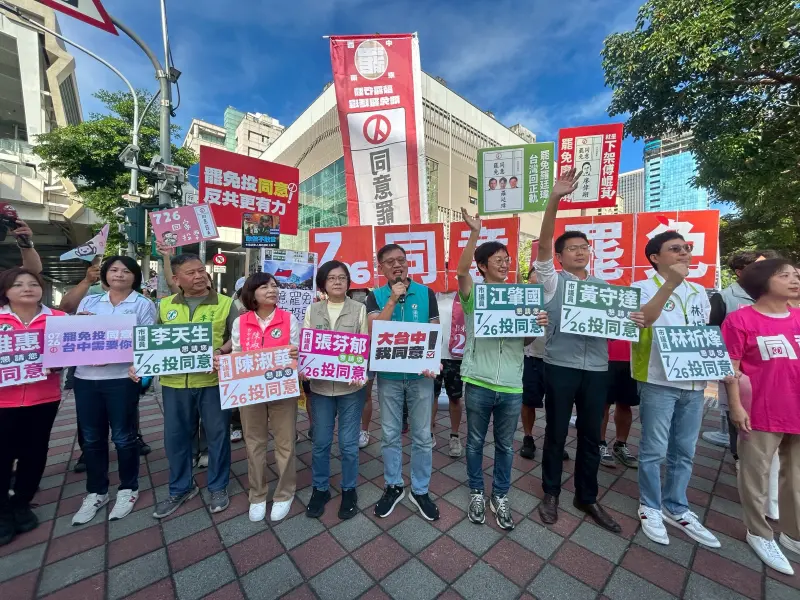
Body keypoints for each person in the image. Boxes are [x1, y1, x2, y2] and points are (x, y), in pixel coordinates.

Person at [533, 168, 622, 533]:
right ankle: (550, 492)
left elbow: (623, 322)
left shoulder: (605, 287)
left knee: (592, 435)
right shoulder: (553, 281)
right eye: (573, 248)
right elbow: (540, 248)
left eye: (585, 248)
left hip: (598, 369)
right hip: (560, 366)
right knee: (555, 434)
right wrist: (554, 198)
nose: (581, 252)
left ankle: (586, 496)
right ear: (559, 255)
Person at [457, 209, 548, 530]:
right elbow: (461, 270)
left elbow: (525, 340)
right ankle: (477, 492)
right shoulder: (474, 294)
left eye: (507, 258)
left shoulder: (520, 297)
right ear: (483, 265)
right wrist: (474, 233)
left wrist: (536, 325)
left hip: (512, 383)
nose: (504, 262)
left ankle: (501, 495)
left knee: (506, 446)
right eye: (496, 258)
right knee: (474, 442)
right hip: (479, 380)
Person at [631, 231, 720, 548]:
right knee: (654, 448)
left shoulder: (699, 291)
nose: (684, 253)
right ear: (655, 257)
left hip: (694, 383)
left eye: (687, 248)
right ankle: (650, 505)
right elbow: (643, 321)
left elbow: (702, 333)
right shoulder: (640, 288)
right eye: (675, 249)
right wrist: (669, 284)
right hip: (657, 379)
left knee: (685, 449)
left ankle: (676, 505)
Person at [141, 253, 236, 519]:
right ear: (176, 279)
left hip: (213, 382)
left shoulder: (226, 304)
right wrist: (140, 364)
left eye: (201, 271)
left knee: (218, 437)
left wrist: (222, 350)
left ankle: (218, 486)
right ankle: (181, 487)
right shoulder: (165, 306)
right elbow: (152, 341)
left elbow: (236, 338)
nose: (198, 276)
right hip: (174, 384)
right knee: (176, 438)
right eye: (191, 273)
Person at [722, 259, 800, 574]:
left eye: (796, 275)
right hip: (761, 411)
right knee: (754, 474)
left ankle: (794, 533)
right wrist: (736, 407)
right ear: (763, 282)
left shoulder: (798, 318)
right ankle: (759, 532)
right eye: (785, 275)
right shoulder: (741, 321)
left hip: (796, 408)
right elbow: (731, 369)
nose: (794, 280)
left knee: (794, 476)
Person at [72, 256, 156, 525]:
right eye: (114, 270)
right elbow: (75, 335)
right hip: (86, 377)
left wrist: (125, 359)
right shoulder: (90, 301)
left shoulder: (143, 304)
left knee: (123, 436)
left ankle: (128, 488)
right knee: (92, 438)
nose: (119, 275)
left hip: (121, 378)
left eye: (126, 271)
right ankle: (96, 492)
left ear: (135, 276)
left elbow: (146, 342)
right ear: (105, 274)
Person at [366, 243, 440, 521]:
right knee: (389, 434)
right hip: (389, 378)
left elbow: (433, 330)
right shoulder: (375, 296)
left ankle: (420, 489)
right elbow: (375, 331)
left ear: (408, 263)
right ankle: (394, 485)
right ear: (381, 268)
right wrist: (392, 300)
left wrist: (432, 360)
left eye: (401, 260)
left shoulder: (426, 293)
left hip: (421, 377)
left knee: (422, 436)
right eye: (390, 262)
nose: (397, 265)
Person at [0, 268, 65, 546]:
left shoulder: (59, 319)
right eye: (18, 284)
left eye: (33, 284)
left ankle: (22, 503)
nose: (27, 288)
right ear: (6, 291)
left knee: (35, 452)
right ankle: (2, 511)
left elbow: (75, 351)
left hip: (44, 398)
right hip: (3, 401)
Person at [229, 272, 300, 522]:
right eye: (264, 286)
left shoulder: (288, 319)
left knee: (285, 442)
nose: (272, 290)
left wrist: (295, 353)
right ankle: (257, 495)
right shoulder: (241, 322)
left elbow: (296, 354)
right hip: (251, 392)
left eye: (274, 286)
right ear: (252, 293)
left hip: (282, 390)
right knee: (254, 443)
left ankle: (284, 493)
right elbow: (236, 355)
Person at [303, 261, 369, 520]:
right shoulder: (313, 310)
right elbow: (307, 345)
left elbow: (363, 347)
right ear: (323, 283)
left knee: (349, 444)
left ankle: (349, 489)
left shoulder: (359, 309)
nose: (338, 282)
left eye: (342, 277)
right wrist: (306, 367)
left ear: (349, 282)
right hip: (320, 389)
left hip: (350, 389)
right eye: (331, 278)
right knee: (320, 442)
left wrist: (359, 373)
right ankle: (320, 488)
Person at [709, 250, 778, 467]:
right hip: (739, 373)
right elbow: (712, 334)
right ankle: (739, 457)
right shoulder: (724, 298)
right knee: (737, 414)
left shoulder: (774, 295)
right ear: (740, 272)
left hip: (772, 370)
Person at [433, 288, 464, 458]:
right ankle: (429, 432)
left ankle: (454, 435)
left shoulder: (462, 294)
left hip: (455, 355)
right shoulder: (431, 294)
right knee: (432, 395)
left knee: (455, 397)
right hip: (433, 354)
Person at [599, 340, 639, 469]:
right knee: (603, 404)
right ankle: (600, 444)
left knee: (625, 404)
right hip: (604, 355)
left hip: (632, 357)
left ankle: (620, 444)